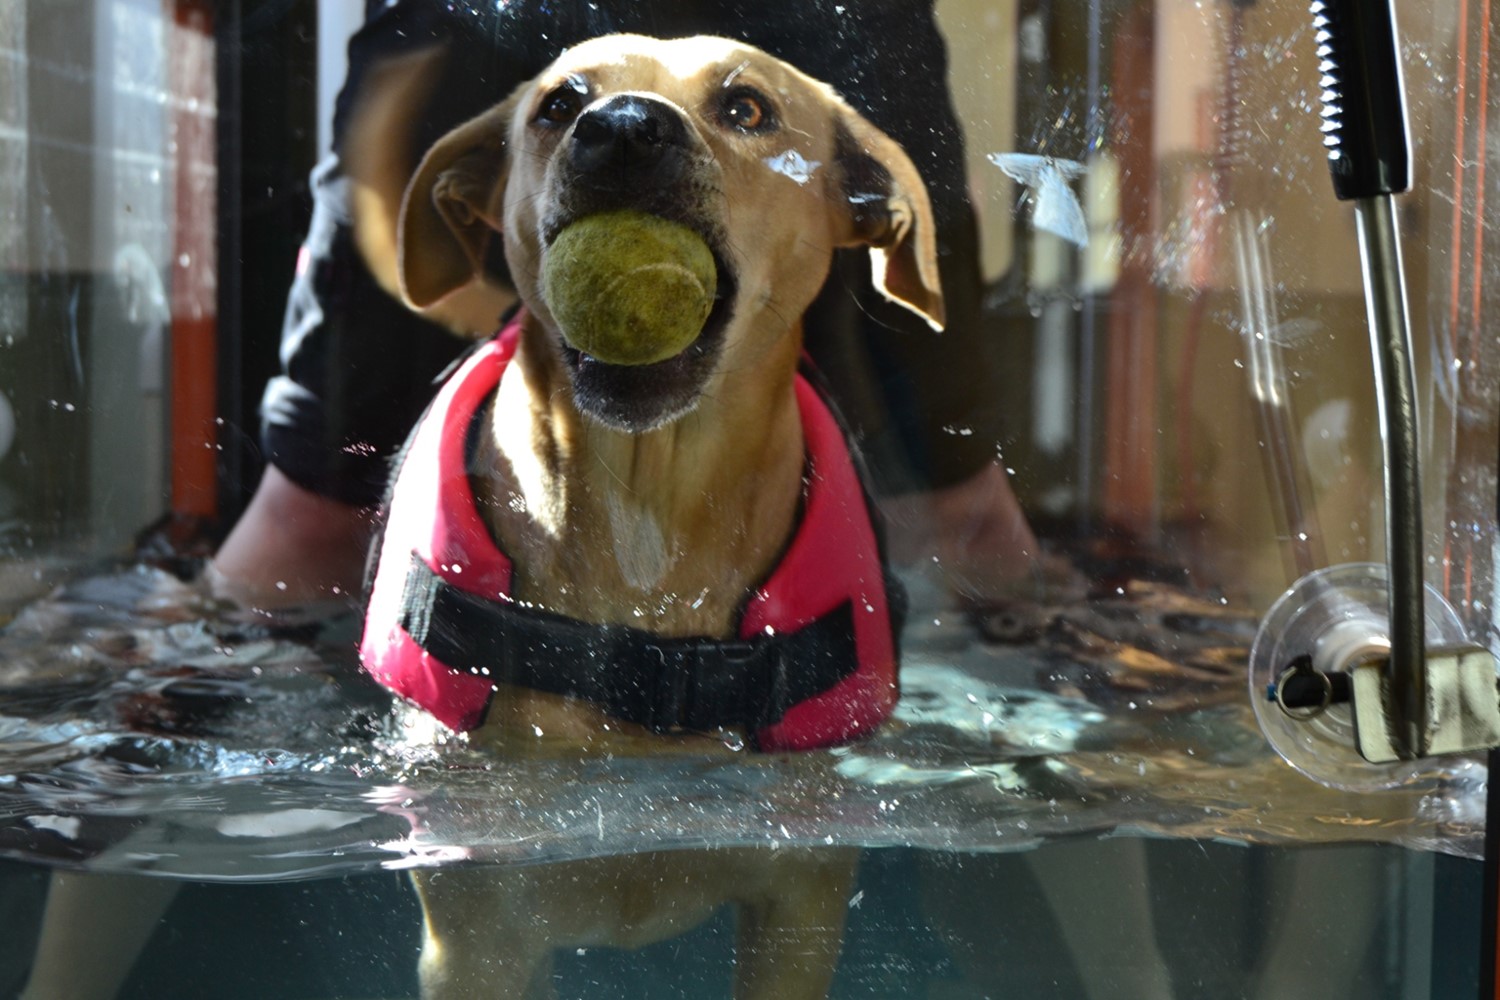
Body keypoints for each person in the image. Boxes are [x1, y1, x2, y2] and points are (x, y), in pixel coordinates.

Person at [211, 0, 1040, 609]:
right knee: (314, 511)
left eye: (743, 109)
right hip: (480, 16)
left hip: (826, 19)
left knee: (957, 513)